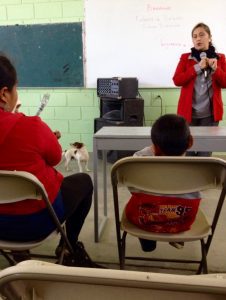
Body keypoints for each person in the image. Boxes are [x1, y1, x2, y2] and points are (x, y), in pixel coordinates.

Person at [0, 54, 97, 267]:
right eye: (16, 88)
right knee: (84, 182)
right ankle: (68, 246)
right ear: (4, 94)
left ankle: (19, 255)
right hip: (35, 223)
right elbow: (54, 158)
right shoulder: (31, 126)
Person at [125, 114, 201, 251]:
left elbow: (132, 189)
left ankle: (148, 240)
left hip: (144, 219)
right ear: (190, 142)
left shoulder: (137, 160)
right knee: (182, 200)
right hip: (182, 219)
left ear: (155, 146)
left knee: (140, 200)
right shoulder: (198, 168)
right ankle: (176, 234)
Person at [173, 22, 226, 156]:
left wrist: (216, 69)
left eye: (202, 35)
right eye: (194, 36)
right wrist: (197, 68)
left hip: (210, 115)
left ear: (209, 37)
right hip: (188, 114)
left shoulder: (220, 58)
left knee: (205, 154)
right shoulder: (186, 58)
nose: (198, 39)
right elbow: (177, 80)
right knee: (188, 152)